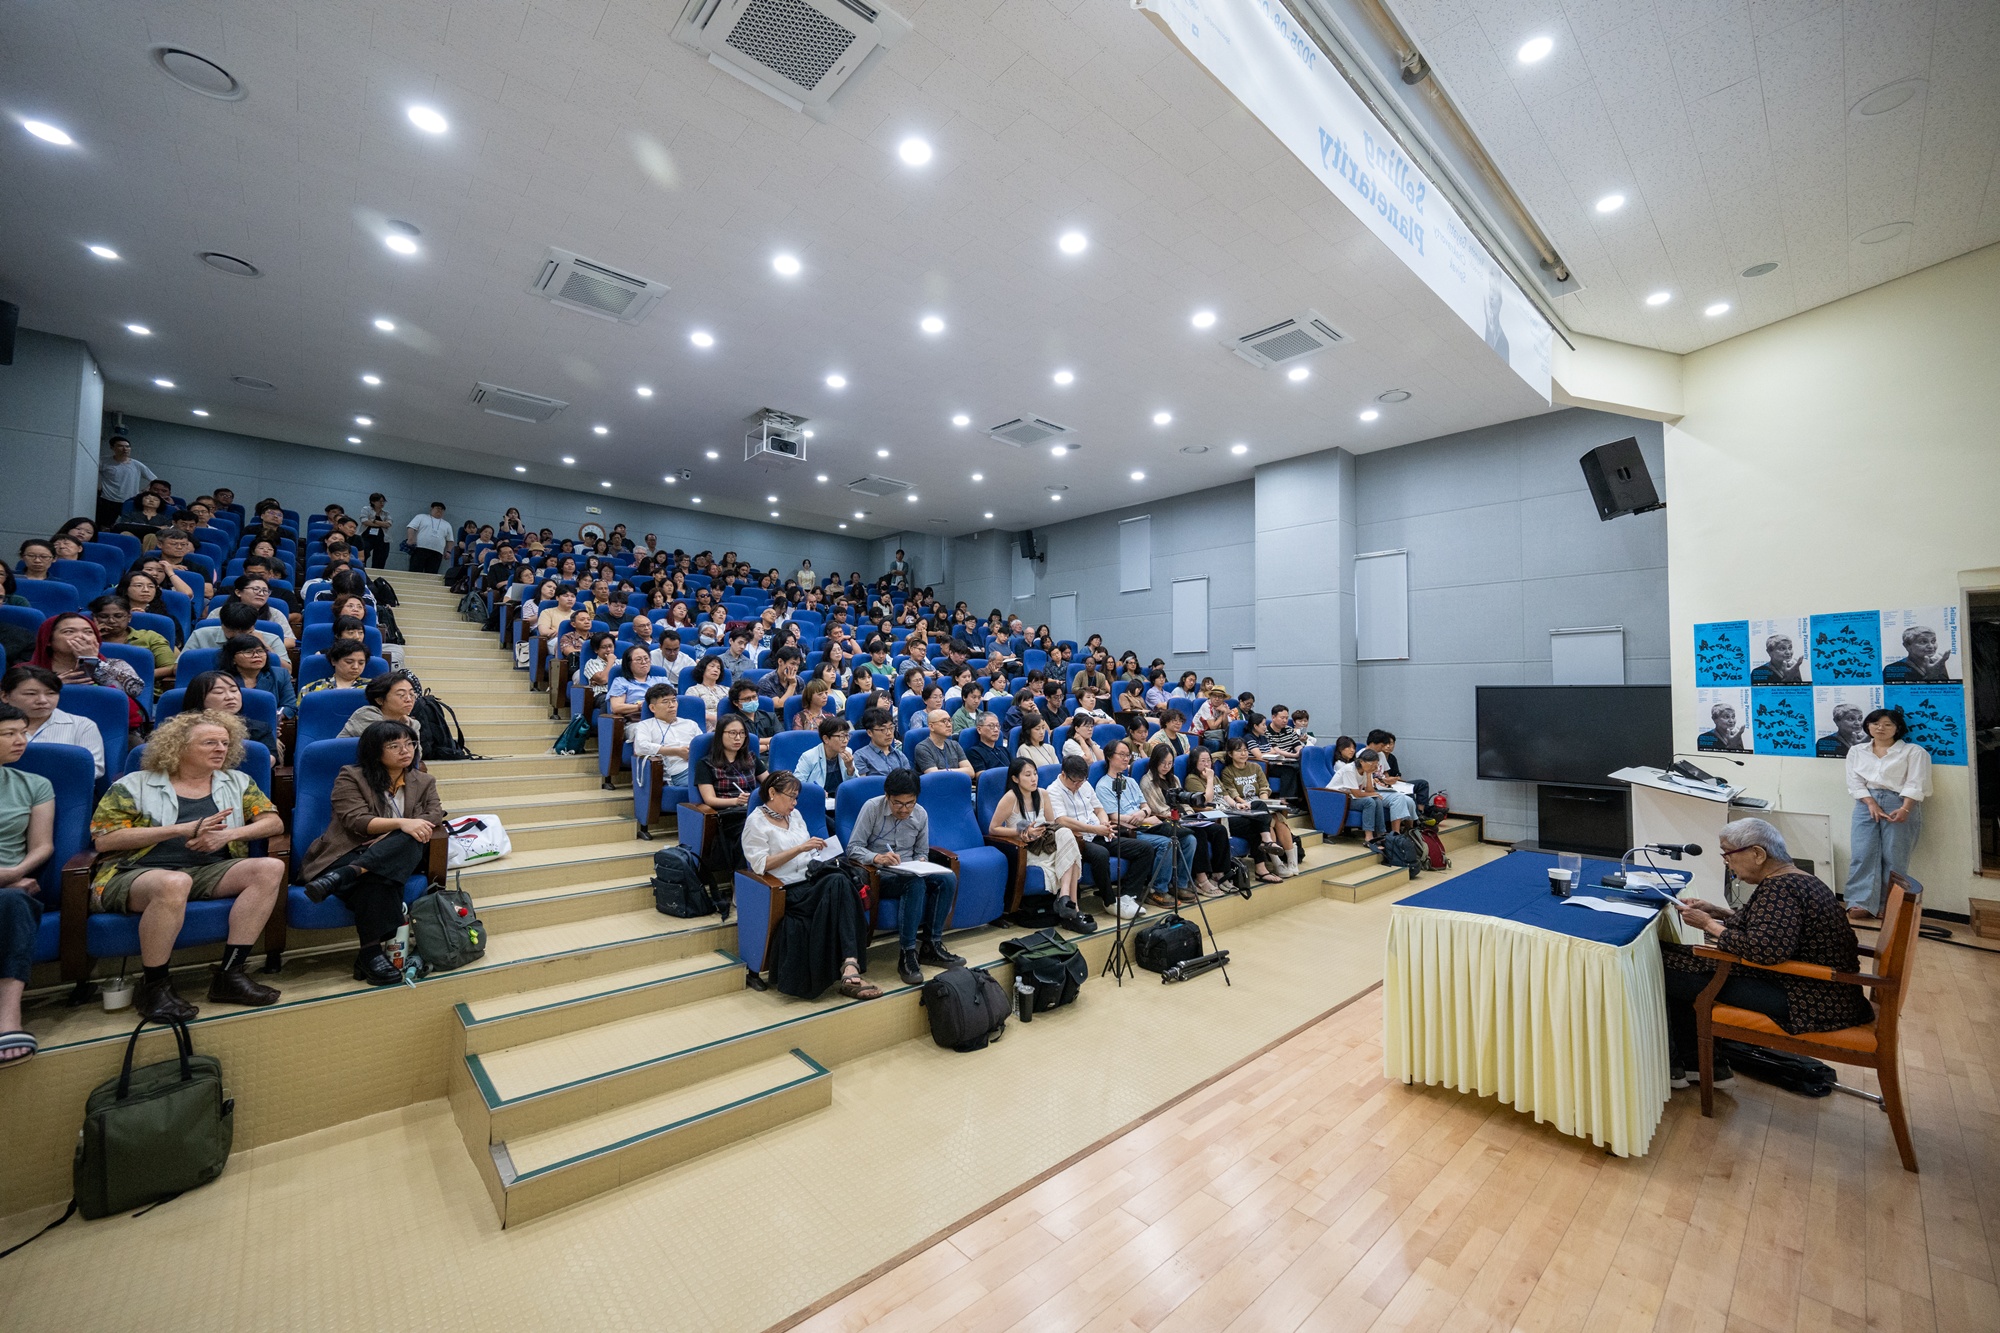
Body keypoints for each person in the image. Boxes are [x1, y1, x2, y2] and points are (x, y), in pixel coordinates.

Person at [88, 711, 285, 1021]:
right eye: (209, 742)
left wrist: (230, 835)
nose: (221, 749)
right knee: (174, 882)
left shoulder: (238, 782)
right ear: (177, 747)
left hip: (207, 870)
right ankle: (154, 986)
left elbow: (272, 822)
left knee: (269, 868)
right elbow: (105, 840)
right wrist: (181, 829)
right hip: (133, 873)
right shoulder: (134, 785)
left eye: (224, 742)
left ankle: (230, 975)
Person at [1661, 818, 1874, 1088]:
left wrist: (1708, 924)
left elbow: (1765, 950)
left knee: (1665, 967)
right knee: (1678, 958)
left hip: (1806, 1000)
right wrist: (1718, 911)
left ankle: (1684, 1065)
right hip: (1823, 992)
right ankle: (1699, 1066)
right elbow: (1775, 929)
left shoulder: (1780, 888)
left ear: (1758, 854)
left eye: (1728, 853)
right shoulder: (1796, 879)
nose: (1726, 861)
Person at [298, 720, 444, 984]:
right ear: (375, 751)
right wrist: (401, 823)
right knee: (382, 874)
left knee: (411, 839)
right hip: (348, 851)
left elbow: (434, 813)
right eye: (395, 745)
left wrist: (399, 832)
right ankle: (370, 954)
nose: (405, 750)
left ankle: (347, 877)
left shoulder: (423, 780)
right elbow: (356, 821)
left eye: (410, 743)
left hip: (393, 853)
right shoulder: (351, 776)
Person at [742, 770, 880, 1000]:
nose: (795, 803)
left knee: (841, 879)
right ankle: (851, 965)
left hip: (811, 876)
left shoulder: (794, 816)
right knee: (839, 883)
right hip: (787, 887)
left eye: (797, 798)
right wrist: (799, 848)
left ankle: (849, 963)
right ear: (772, 793)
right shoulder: (755, 822)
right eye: (791, 797)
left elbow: (808, 853)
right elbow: (760, 865)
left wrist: (818, 850)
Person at [846, 768, 964, 987]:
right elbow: (853, 848)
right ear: (887, 796)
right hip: (881, 875)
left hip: (910, 870)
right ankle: (907, 952)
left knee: (947, 878)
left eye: (909, 803)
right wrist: (877, 857)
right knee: (915, 884)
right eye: (898, 803)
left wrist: (921, 862)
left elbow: (921, 851)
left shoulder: (920, 814)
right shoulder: (872, 808)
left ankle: (931, 944)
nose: (904, 809)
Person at [0, 703, 55, 1064]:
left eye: (24, 732)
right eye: (9, 734)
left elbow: (43, 846)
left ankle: (8, 1017)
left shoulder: (34, 784)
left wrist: (14, 873)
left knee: (13, 903)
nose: (21, 740)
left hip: (10, 884)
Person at [1843, 707, 1931, 922]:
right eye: (1875, 724)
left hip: (1899, 801)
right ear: (1868, 727)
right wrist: (1870, 802)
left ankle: (1889, 905)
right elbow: (1854, 781)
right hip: (1865, 802)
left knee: (1894, 856)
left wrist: (1905, 808)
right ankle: (1860, 902)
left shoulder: (1913, 751)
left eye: (1887, 724)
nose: (1880, 728)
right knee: (1862, 853)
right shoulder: (1857, 751)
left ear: (1897, 728)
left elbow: (1916, 782)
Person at [1047, 754, 1157, 920]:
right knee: (1100, 853)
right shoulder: (1053, 791)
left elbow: (1099, 809)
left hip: (1099, 832)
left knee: (1144, 849)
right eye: (1074, 781)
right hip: (1077, 840)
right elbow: (1061, 820)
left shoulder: (1084, 786)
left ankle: (1128, 896)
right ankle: (1109, 901)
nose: (1078, 785)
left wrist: (1104, 823)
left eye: (1081, 781)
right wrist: (1095, 829)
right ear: (1063, 774)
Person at [987, 756, 1092, 930]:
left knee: (1065, 833)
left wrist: (1042, 828)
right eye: (1027, 775)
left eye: (1035, 773)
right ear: (1015, 778)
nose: (1034, 778)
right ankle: (1071, 906)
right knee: (1071, 855)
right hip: (1025, 850)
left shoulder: (1043, 794)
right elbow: (993, 829)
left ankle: (1066, 898)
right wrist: (1022, 831)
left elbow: (1052, 823)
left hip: (1045, 845)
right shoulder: (1010, 798)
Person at [32, 611, 147, 736]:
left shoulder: (114, 664)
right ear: (49, 640)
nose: (81, 637)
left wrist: (91, 662)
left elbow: (135, 689)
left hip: (110, 731)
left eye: (88, 632)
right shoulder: (27, 671)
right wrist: (52, 686)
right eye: (69, 632)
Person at [1095, 739, 1181, 906]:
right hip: (1130, 829)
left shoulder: (1131, 782)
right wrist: (1143, 816)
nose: (1126, 758)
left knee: (1183, 836)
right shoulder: (1103, 785)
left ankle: (1177, 884)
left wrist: (1142, 813)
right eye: (1122, 755)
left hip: (1145, 823)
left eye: (1128, 755)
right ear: (1109, 757)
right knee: (1168, 843)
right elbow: (1115, 817)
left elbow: (1146, 807)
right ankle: (1156, 890)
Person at [1139, 744, 1228, 896]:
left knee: (1219, 830)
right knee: (1197, 833)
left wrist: (1189, 815)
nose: (1166, 767)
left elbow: (1184, 801)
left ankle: (1219, 874)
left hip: (1185, 817)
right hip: (1167, 820)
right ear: (1154, 761)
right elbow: (1158, 808)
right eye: (1163, 763)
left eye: (1169, 763)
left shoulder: (1174, 779)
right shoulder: (1147, 782)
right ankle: (1200, 879)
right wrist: (1180, 818)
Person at [1192, 745, 1282, 883]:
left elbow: (1225, 795)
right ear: (1194, 762)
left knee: (1259, 805)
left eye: (1209, 761)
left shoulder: (1214, 776)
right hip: (1219, 817)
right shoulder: (1192, 779)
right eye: (1202, 761)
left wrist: (1237, 805)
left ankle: (1267, 840)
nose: (1206, 764)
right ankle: (1261, 868)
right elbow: (1206, 800)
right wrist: (1209, 779)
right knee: (1255, 826)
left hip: (1230, 811)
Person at [694, 712, 761, 887]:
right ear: (720, 735)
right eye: (732, 733)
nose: (738, 738)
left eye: (741, 733)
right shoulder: (706, 764)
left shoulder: (751, 758)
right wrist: (735, 801)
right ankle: (740, 883)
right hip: (728, 814)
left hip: (753, 810)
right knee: (749, 831)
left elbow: (770, 783)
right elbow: (709, 799)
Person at [3, 664, 107, 777]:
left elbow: (94, 769)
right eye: (31, 694)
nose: (42, 700)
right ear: (4, 696)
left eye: (51, 693)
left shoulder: (82, 726)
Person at [1221, 736, 1297, 875]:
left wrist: (1263, 801)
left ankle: (1292, 862)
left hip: (1261, 805)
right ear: (1230, 754)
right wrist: (1246, 804)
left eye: (1245, 750)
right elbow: (1232, 793)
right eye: (1239, 751)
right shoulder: (1228, 772)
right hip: (1244, 808)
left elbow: (1264, 787)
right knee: (1270, 823)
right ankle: (1277, 864)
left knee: (1280, 822)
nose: (1243, 754)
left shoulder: (1255, 767)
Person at [630, 685, 700, 823]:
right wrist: (675, 751)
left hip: (698, 766)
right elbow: (640, 747)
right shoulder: (646, 725)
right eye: (665, 702)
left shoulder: (690, 724)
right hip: (676, 772)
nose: (671, 705)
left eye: (674, 701)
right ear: (652, 708)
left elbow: (704, 746)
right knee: (709, 780)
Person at [1333, 745, 1418, 849]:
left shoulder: (1365, 770)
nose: (1375, 767)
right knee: (1369, 801)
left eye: (1376, 765)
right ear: (1362, 762)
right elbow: (1356, 793)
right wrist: (1372, 794)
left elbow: (1369, 790)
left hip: (1350, 797)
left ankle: (1381, 833)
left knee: (1376, 800)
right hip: (1338, 798)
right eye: (1372, 764)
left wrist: (1369, 775)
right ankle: (1368, 837)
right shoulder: (1349, 770)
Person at [90, 593, 174, 692]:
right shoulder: (85, 641)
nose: (111, 621)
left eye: (118, 616)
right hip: (95, 690)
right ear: (94, 618)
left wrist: (130, 676)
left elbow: (170, 667)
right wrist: (93, 637)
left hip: (144, 692)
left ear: (129, 617)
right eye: (104, 616)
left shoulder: (149, 637)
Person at [182, 669, 278, 755]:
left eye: (234, 690)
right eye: (219, 692)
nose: (230, 697)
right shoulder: (181, 730)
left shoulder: (259, 729)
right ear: (199, 697)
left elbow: (268, 761)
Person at [219, 633, 297, 721]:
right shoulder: (220, 680)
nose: (256, 655)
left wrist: (275, 716)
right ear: (232, 659)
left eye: (260, 651)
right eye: (248, 652)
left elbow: (290, 706)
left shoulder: (280, 674)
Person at [339, 671, 423, 746]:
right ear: (380, 700)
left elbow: (416, 755)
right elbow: (389, 747)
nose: (409, 699)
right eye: (401, 695)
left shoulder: (413, 724)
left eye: (412, 694)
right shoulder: (366, 715)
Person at [96, 434, 159, 528]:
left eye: (127, 446)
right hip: (108, 499)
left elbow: (154, 479)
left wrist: (144, 491)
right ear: (112, 447)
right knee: (104, 526)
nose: (125, 449)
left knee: (130, 526)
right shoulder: (103, 461)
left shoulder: (137, 465)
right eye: (120, 446)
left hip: (130, 500)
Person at [794, 716, 855, 807]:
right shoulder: (809, 756)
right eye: (841, 736)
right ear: (826, 739)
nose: (846, 741)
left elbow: (852, 786)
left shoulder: (848, 752)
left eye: (847, 736)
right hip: (817, 803)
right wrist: (816, 792)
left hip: (842, 802)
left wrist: (850, 768)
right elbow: (797, 784)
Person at [1363, 728, 1428, 812]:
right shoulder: (1362, 755)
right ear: (1375, 742)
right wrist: (1382, 781)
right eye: (1383, 744)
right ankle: (1417, 819)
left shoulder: (1382, 755)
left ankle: (1420, 814)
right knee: (1407, 793)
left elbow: (1386, 773)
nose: (1386, 746)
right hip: (1376, 786)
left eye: (1391, 744)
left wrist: (1389, 780)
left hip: (1386, 785)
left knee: (1415, 786)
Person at [301, 638, 375, 695]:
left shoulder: (374, 689)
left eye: (361, 663)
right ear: (334, 661)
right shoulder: (311, 689)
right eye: (349, 662)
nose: (355, 667)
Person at [605, 644, 658, 722]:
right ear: (628, 664)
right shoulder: (621, 682)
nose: (644, 662)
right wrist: (640, 707)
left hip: (663, 719)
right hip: (637, 721)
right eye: (638, 659)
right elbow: (616, 707)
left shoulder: (661, 680)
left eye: (646, 658)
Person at [1883, 625, 1954, 682]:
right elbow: (1900, 697)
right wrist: (1931, 676)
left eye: (1933, 641)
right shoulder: (1893, 669)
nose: (1931, 646)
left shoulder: (1937, 664)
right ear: (1907, 645)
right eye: (1923, 642)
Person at [853, 706, 911, 777]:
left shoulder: (900, 755)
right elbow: (862, 785)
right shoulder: (860, 756)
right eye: (883, 729)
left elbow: (909, 782)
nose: (889, 733)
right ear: (870, 733)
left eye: (891, 728)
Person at [912, 708, 973, 776]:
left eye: (949, 720)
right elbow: (935, 776)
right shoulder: (923, 748)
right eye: (944, 721)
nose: (949, 725)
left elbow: (970, 772)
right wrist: (959, 771)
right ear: (932, 727)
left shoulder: (955, 744)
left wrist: (946, 771)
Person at [405, 500, 453, 574]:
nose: (439, 510)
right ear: (431, 509)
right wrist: (410, 539)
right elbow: (411, 527)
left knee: (432, 574)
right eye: (437, 508)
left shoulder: (447, 524)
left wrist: (449, 551)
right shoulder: (421, 517)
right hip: (420, 549)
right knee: (415, 571)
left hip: (437, 552)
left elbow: (450, 540)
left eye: (442, 509)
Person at [686, 655, 729, 727]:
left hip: (728, 723)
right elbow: (693, 712)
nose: (716, 670)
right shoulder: (693, 690)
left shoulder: (727, 690)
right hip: (705, 725)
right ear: (703, 668)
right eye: (712, 666)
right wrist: (716, 718)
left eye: (719, 668)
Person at [358, 492, 394, 568]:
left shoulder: (386, 513)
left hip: (382, 538)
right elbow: (365, 521)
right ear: (373, 502)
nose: (382, 503)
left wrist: (374, 521)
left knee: (380, 558)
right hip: (367, 536)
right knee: (364, 553)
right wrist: (381, 524)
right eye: (379, 501)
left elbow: (388, 524)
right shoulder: (366, 509)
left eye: (383, 501)